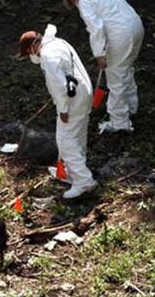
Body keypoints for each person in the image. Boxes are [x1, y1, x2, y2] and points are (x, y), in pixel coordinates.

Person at [17, 24, 97, 199]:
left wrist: (63, 109)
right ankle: (72, 172)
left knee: (65, 141)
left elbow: (59, 86)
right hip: (84, 92)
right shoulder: (59, 42)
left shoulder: (47, 56)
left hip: (72, 100)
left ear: (33, 46)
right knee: (77, 135)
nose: (31, 56)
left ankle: (84, 181)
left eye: (29, 52)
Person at [60, 0, 144, 134]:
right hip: (136, 28)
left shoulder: (85, 0)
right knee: (125, 68)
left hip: (121, 35)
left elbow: (96, 28)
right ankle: (131, 107)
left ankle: (119, 122)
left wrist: (99, 54)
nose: (74, 5)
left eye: (71, 1)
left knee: (115, 76)